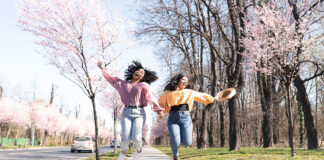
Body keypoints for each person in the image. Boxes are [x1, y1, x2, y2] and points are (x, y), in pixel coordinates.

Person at [97, 60, 164, 160]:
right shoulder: (123, 84)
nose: (138, 72)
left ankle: (139, 150)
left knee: (136, 137)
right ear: (133, 72)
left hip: (140, 113)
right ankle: (123, 153)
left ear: (143, 77)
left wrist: (159, 110)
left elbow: (151, 97)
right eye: (137, 70)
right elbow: (112, 79)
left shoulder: (144, 85)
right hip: (126, 112)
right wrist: (103, 68)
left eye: (141, 72)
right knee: (125, 137)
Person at [158, 74, 235, 160]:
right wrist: (161, 112)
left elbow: (201, 96)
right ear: (178, 80)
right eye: (183, 80)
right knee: (176, 142)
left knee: (188, 142)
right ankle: (175, 155)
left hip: (186, 118)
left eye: (186, 82)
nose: (185, 82)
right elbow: (161, 104)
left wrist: (214, 98)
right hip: (173, 119)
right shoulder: (168, 93)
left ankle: (179, 145)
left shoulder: (189, 92)